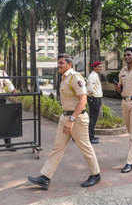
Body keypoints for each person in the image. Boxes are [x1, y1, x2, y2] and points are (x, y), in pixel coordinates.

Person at [28, 54, 101, 189]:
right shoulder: (64, 77)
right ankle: (45, 177)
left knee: (85, 147)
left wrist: (72, 119)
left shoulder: (75, 77)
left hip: (77, 118)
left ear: (69, 64)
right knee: (58, 148)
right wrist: (67, 119)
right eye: (58, 63)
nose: (59, 65)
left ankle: (96, 174)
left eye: (61, 63)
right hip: (65, 117)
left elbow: (83, 100)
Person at [87, 61, 103, 144]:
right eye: (99, 67)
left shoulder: (95, 75)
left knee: (93, 118)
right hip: (94, 99)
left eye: (101, 67)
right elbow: (90, 88)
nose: (101, 68)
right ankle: (90, 137)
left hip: (96, 98)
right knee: (93, 119)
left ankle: (91, 135)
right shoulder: (93, 76)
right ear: (95, 67)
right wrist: (92, 97)